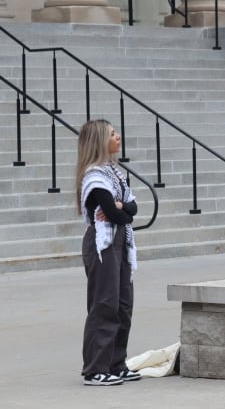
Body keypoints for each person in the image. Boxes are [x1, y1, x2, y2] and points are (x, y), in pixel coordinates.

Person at [75, 119, 141, 386]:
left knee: (123, 304)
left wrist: (121, 206)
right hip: (102, 244)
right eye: (113, 134)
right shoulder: (94, 175)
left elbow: (132, 209)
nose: (118, 136)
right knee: (104, 304)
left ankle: (116, 363)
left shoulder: (115, 172)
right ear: (100, 141)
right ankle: (94, 369)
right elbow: (116, 214)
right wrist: (121, 208)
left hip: (120, 242)